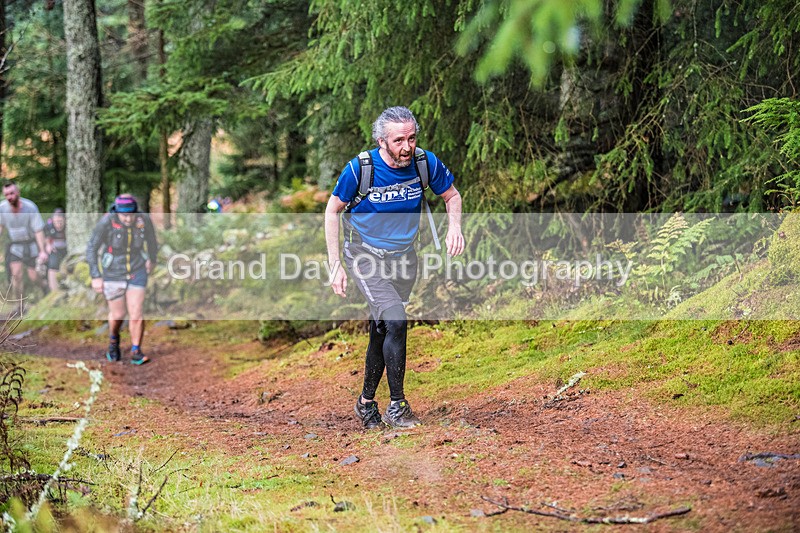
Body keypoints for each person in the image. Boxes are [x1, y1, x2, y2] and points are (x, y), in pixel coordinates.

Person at [324, 106, 465, 429]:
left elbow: (451, 196)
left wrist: (454, 229)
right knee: (397, 320)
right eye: (399, 140)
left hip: (404, 257)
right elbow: (332, 211)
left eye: (412, 138)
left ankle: (366, 403)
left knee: (383, 328)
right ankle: (398, 406)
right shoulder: (360, 169)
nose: (407, 147)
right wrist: (336, 265)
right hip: (365, 256)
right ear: (381, 141)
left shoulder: (423, 163)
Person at [87, 194, 158, 365]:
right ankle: (113, 340)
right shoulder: (106, 222)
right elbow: (91, 248)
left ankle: (136, 350)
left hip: (137, 268)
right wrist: (96, 275)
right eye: (124, 215)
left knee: (137, 312)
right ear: (117, 212)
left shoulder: (143, 220)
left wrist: (152, 259)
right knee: (118, 314)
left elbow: (152, 241)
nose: (128, 219)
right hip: (113, 271)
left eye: (131, 215)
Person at [0, 181, 49, 299]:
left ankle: (45, 290)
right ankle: (19, 305)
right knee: (16, 275)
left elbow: (38, 230)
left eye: (11, 193)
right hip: (16, 246)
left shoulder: (30, 207)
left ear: (18, 192)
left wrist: (42, 251)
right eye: (6, 194)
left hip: (31, 245)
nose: (9, 197)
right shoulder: (2, 208)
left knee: (34, 276)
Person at [44, 208, 67, 292]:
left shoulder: (69, 226)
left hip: (66, 249)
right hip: (55, 250)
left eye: (61, 221)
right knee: (52, 266)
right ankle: (54, 291)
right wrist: (48, 245)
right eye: (56, 221)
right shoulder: (49, 225)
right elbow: (46, 237)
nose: (59, 225)